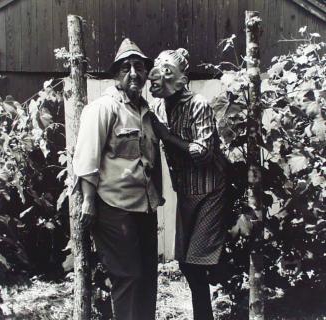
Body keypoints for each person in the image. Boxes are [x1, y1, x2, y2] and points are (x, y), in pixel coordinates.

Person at [72, 38, 164, 320]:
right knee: (129, 277)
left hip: (144, 207)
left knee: (148, 277)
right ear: (116, 75)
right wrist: (88, 201)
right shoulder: (103, 108)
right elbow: (87, 156)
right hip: (113, 207)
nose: (134, 73)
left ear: (147, 73)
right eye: (126, 68)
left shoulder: (147, 112)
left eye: (139, 67)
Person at [148, 48, 229, 320]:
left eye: (167, 71)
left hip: (209, 191)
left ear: (181, 79)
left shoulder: (199, 104)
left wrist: (168, 138)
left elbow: (203, 152)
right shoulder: (159, 106)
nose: (158, 77)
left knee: (195, 264)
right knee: (185, 263)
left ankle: (204, 314)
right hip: (184, 192)